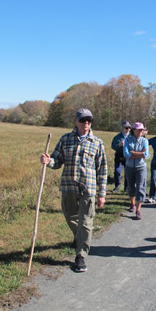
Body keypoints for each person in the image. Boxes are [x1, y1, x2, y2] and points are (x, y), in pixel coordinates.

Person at [40, 108, 107, 273]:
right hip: (68, 187)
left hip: (88, 188)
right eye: (83, 120)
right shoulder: (65, 139)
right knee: (70, 217)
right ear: (75, 121)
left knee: (86, 223)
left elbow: (103, 170)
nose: (86, 123)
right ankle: (80, 238)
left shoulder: (97, 143)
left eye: (89, 121)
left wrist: (102, 194)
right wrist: (48, 161)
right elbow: (57, 162)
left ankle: (81, 255)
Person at [124, 122, 149, 220]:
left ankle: (138, 210)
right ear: (133, 130)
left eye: (142, 130)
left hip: (141, 167)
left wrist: (133, 153)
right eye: (138, 130)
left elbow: (145, 154)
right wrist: (139, 154)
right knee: (131, 186)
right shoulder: (128, 140)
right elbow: (126, 154)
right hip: (129, 167)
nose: (140, 131)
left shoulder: (144, 141)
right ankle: (132, 204)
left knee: (140, 187)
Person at [111, 120, 131, 193]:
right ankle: (117, 186)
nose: (128, 129)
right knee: (117, 171)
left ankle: (126, 187)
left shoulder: (131, 136)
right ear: (122, 128)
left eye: (129, 128)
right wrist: (119, 145)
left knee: (127, 172)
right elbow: (113, 146)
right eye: (126, 128)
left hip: (128, 157)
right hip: (119, 156)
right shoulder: (118, 137)